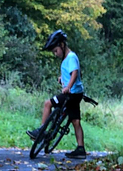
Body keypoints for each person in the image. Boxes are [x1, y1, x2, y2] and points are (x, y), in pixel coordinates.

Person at [26, 30, 86, 158]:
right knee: (75, 121)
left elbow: (75, 73)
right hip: (77, 94)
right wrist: (63, 79)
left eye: (55, 50)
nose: (55, 54)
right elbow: (73, 74)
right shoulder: (68, 58)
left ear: (62, 45)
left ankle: (41, 131)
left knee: (48, 103)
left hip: (71, 94)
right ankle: (81, 149)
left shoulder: (70, 57)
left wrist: (68, 86)